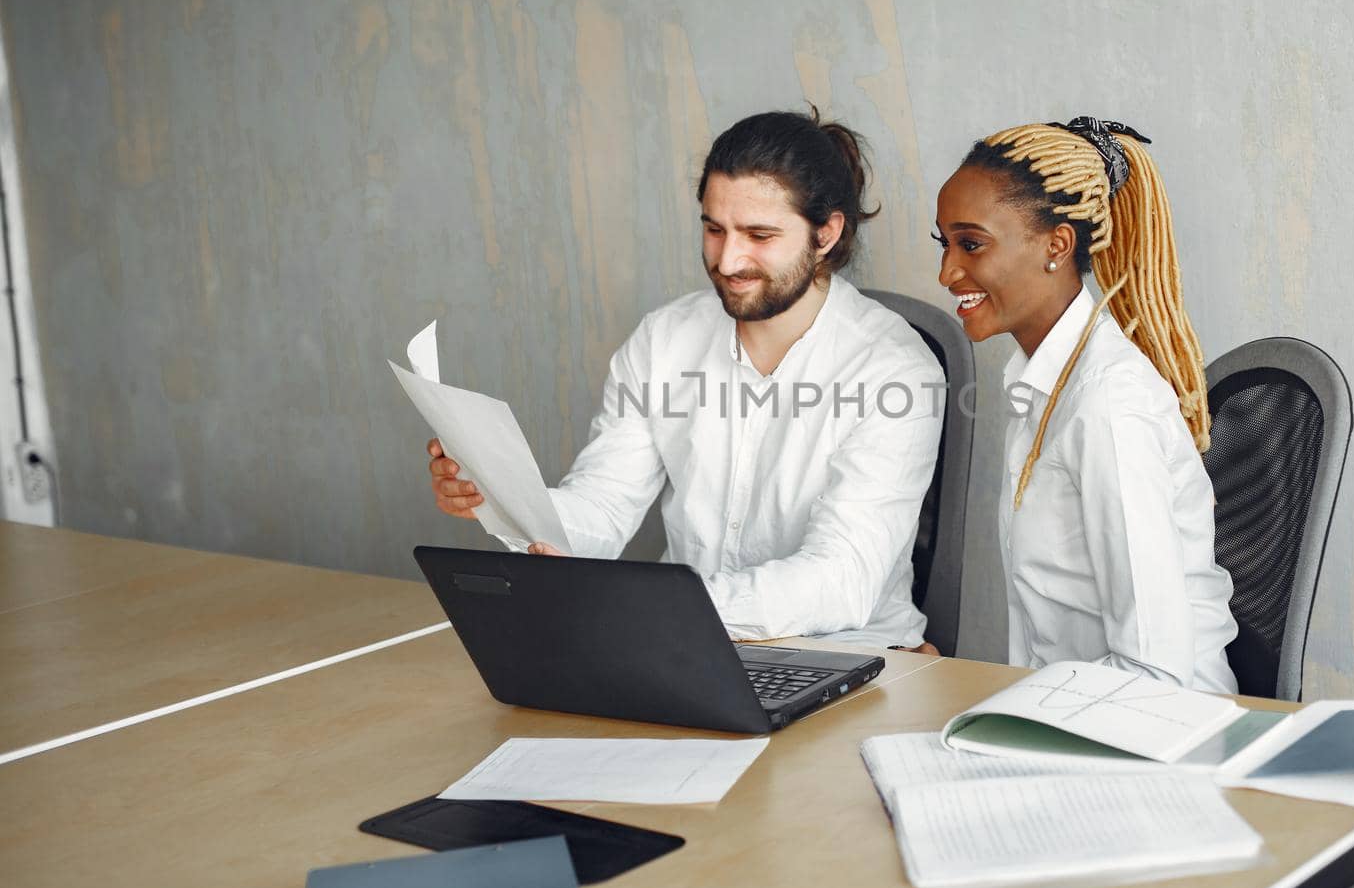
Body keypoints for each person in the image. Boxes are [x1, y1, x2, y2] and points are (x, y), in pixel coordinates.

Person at [430, 109, 944, 649]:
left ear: (826, 233)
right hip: (676, 640)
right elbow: (603, 509)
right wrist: (500, 497)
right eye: (714, 229)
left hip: (843, 652)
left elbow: (840, 580)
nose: (727, 260)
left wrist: (652, 607)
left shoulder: (896, 369)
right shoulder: (664, 339)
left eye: (759, 234)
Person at [933, 116, 1237, 691]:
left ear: (1057, 245)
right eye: (944, 244)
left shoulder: (1107, 405)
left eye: (970, 244)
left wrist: (1010, 719)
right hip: (1081, 717)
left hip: (1155, 734)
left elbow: (1154, 670)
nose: (947, 271)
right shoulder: (1042, 383)